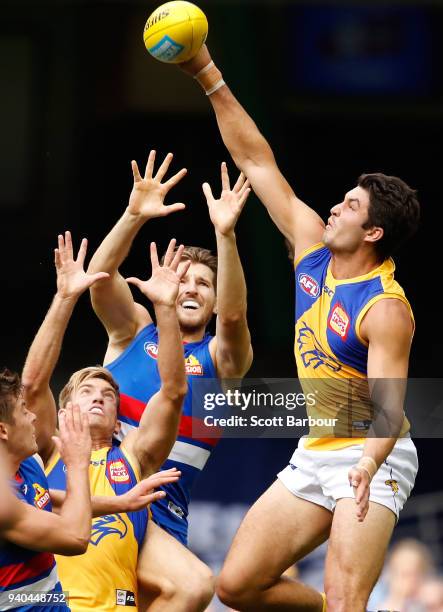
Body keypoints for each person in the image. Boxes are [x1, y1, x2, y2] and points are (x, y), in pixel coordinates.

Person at [178, 45, 421, 611]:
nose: (334, 208)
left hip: (372, 457)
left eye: (350, 205)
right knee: (236, 586)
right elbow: (258, 162)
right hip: (315, 451)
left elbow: (388, 411)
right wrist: (206, 72)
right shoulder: (312, 250)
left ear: (374, 234)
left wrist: (364, 466)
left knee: (345, 596)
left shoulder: (385, 308)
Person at [87, 153, 253, 609]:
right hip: (101, 492)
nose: (192, 288)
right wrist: (132, 215)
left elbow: (236, 317)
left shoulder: (221, 362)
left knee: (178, 593)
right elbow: (98, 282)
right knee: (195, 584)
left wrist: (226, 235)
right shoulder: (132, 332)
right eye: (183, 279)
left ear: (216, 302)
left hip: (164, 518)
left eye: (204, 283)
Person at [22, 232, 188, 610]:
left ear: (118, 424)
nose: (98, 396)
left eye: (108, 395)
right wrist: (65, 299)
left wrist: (165, 310)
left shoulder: (134, 458)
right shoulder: (43, 455)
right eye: (85, 392)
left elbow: (174, 391)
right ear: (62, 414)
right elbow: (33, 384)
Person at [0, 375, 91, 611]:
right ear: (3, 430)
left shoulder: (30, 462)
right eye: (24, 410)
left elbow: (49, 503)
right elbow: (76, 537)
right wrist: (78, 463)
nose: (33, 416)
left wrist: (123, 503)